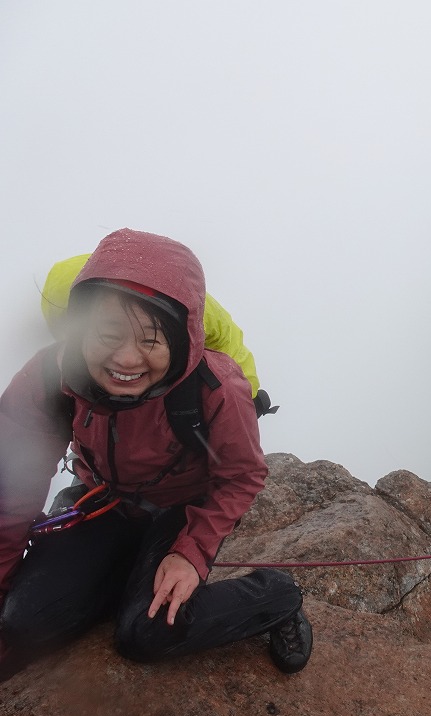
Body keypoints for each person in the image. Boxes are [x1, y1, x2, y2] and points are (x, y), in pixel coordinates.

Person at [0, 228, 311, 681]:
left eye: (151, 340)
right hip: (102, 500)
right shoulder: (50, 377)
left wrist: (191, 552)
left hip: (179, 510)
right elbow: (11, 489)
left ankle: (277, 595)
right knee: (24, 622)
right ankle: (122, 573)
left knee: (146, 633)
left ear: (181, 339)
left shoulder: (216, 387)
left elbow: (241, 475)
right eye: (108, 333)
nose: (127, 359)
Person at [40, 253, 276, 416]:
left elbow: (225, 344)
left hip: (220, 369)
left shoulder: (173, 301)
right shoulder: (136, 294)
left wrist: (245, 399)